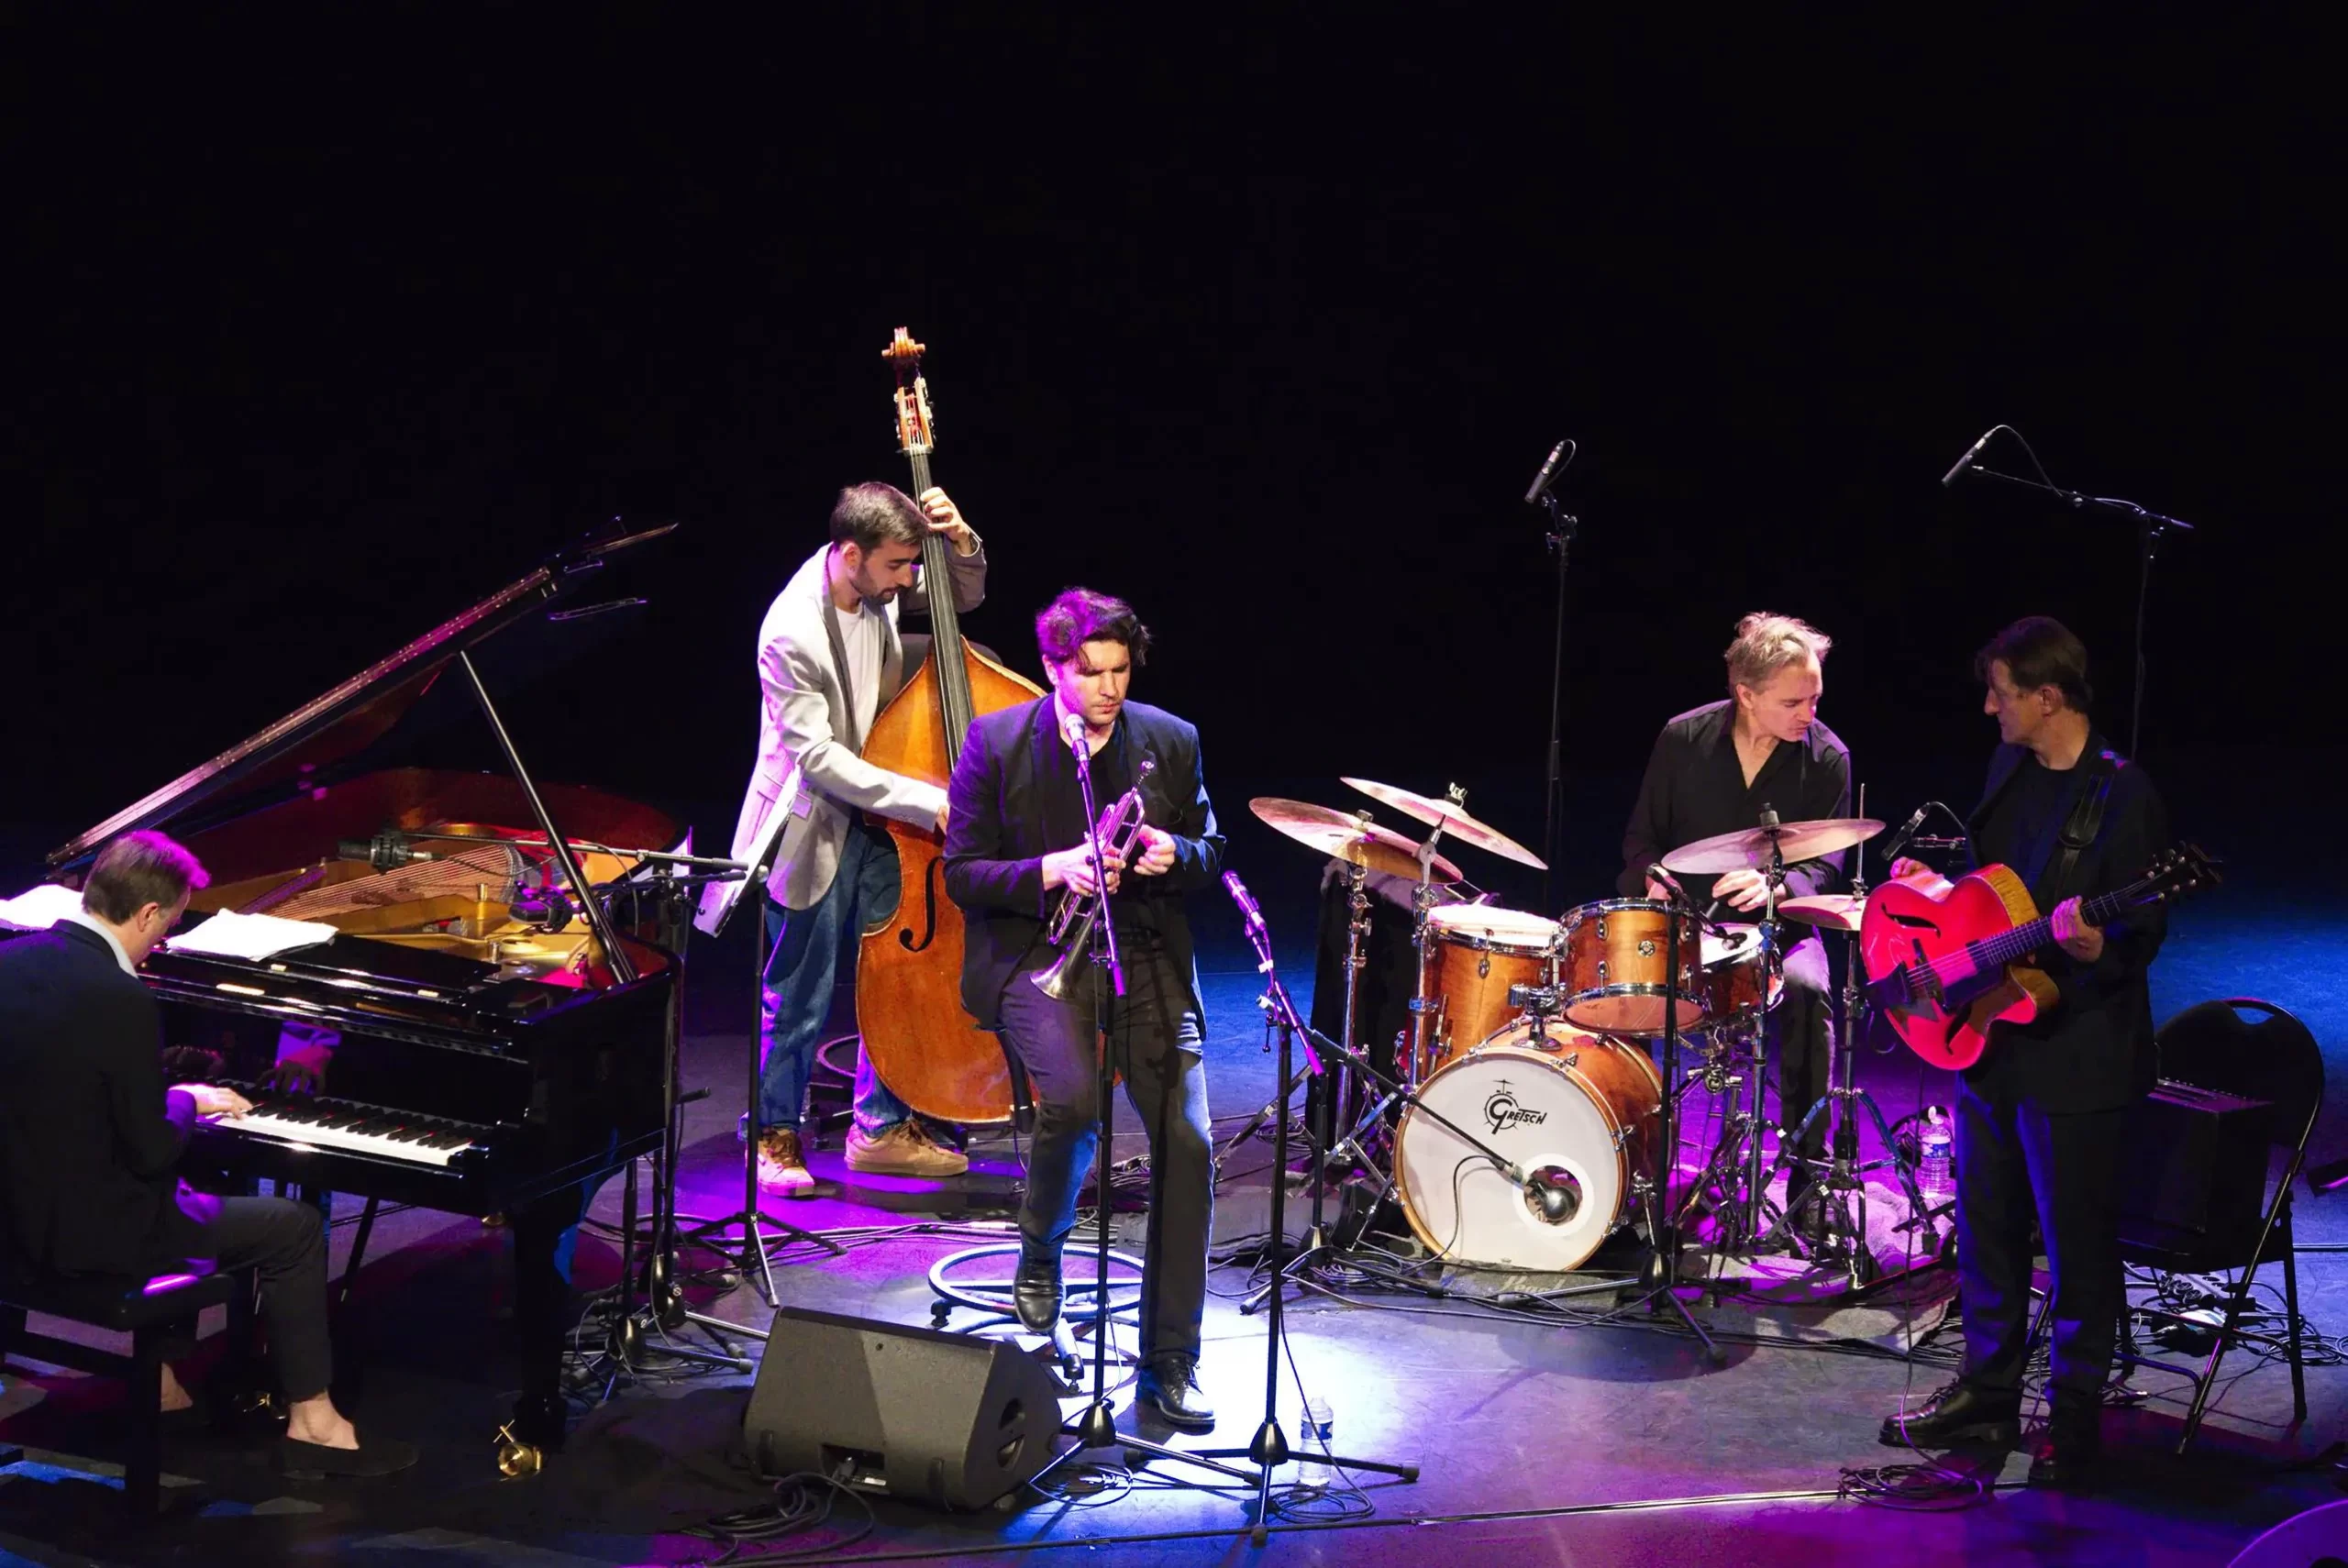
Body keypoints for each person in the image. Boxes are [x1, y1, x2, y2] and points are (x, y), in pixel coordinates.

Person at [0, 832, 415, 1476]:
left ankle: (164, 1377)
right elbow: (150, 1151)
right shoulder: (121, 998)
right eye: (166, 927)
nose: (160, 943)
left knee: (195, 1184)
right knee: (293, 1227)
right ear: (146, 913)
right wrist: (186, 1100)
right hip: (93, 1236)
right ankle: (314, 1421)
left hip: (14, 1215)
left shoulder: (12, 961)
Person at [1878, 617, 2168, 1488]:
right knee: (1987, 1228)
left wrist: (2094, 946)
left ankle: (2074, 1417)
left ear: (2048, 697)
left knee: (2077, 1246)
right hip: (1994, 1037)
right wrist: (1939, 917)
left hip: (2079, 1055)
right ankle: (1988, 1391)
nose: (1988, 707)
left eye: (2001, 692)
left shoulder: (2124, 796)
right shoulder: (2008, 769)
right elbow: (1985, 891)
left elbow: (2142, 932)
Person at [942, 589, 1225, 1431]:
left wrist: (1178, 853)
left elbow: (1212, 850)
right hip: (1039, 951)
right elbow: (962, 872)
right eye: (1091, 672)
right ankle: (1040, 1255)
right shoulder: (997, 741)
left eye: (1120, 671)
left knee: (1189, 1144)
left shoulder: (1171, 739)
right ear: (1052, 668)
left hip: (1144, 952)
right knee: (1070, 1103)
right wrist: (1053, 869)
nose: (1108, 689)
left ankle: (1170, 1359)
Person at [703, 481, 987, 1193]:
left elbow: (961, 599)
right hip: (813, 822)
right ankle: (773, 1133)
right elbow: (820, 760)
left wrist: (962, 543)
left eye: (912, 565)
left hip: (881, 817)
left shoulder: (878, 585)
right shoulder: (791, 631)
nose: (908, 581)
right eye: (898, 565)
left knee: (895, 976)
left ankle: (880, 1127)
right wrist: (930, 800)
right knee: (800, 989)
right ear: (851, 555)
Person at [1617, 612, 1849, 1218]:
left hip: (1780, 928)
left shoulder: (1828, 758)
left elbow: (1827, 868)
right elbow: (1641, 839)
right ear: (1746, 695)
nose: (1809, 713)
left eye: (1815, 698)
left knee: (1807, 990)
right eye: (1794, 702)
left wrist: (1777, 885)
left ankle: (1808, 1180)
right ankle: (1628, 1169)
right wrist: (1652, 876)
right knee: (1616, 987)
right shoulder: (1682, 739)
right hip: (1686, 923)